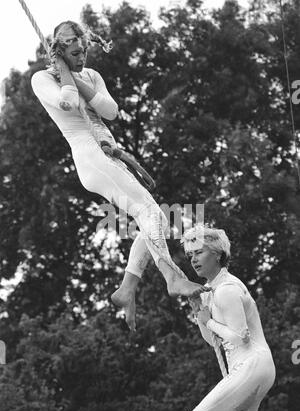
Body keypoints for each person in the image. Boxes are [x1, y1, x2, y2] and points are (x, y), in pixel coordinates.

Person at [31, 21, 209, 330]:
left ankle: (127, 287)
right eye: (72, 45)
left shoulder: (92, 76)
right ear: (58, 49)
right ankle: (173, 278)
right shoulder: (42, 78)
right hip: (89, 155)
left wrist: (74, 77)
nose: (81, 50)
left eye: (83, 46)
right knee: (150, 211)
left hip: (108, 154)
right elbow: (68, 103)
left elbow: (110, 111)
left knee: (157, 219)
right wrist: (64, 79)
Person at [181, 224, 276, 411]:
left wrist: (209, 321)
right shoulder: (209, 291)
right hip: (251, 368)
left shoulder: (227, 289)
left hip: (251, 364)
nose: (193, 260)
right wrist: (198, 312)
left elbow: (239, 338)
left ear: (217, 254)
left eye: (199, 252)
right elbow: (212, 340)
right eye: (190, 255)